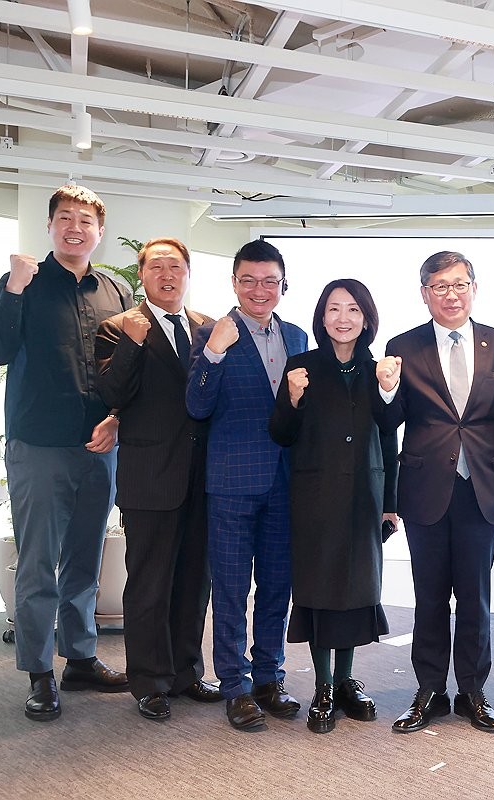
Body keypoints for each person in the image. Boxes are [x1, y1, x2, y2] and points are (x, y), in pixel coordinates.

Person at [0, 184, 132, 722]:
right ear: (50, 226)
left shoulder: (116, 290)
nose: (75, 227)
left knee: (86, 560)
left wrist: (118, 418)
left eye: (85, 220)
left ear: (99, 231)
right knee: (39, 563)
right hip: (40, 445)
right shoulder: (22, 282)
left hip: (99, 446)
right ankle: (39, 672)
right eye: (65, 217)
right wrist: (13, 289)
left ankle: (81, 659)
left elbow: (130, 369)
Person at [379, 251, 494, 735]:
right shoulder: (403, 346)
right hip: (425, 489)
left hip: (482, 488)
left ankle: (472, 691)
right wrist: (386, 390)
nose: (451, 295)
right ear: (425, 293)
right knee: (428, 597)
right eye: (440, 286)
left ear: (474, 288)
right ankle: (429, 691)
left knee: (475, 596)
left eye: (460, 284)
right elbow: (389, 421)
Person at [95, 237, 220, 721]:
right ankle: (148, 680)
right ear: (142, 275)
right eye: (157, 267)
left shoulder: (208, 327)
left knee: (194, 580)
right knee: (149, 583)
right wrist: (132, 341)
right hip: (150, 476)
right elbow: (112, 392)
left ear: (188, 273)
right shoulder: (118, 328)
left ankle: (186, 672)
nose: (167, 275)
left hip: (203, 476)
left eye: (176, 267)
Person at [186, 238, 309, 732]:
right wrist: (214, 353)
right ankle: (234, 685)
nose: (260, 289)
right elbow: (196, 406)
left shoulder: (298, 336)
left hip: (286, 481)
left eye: (269, 281)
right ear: (234, 283)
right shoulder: (212, 333)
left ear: (283, 285)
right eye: (248, 280)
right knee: (232, 590)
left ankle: (268, 678)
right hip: (232, 481)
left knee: (278, 585)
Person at [270, 279, 398, 734]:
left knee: (356, 590)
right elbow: (280, 433)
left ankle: (345, 681)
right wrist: (292, 399)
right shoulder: (301, 366)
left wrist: (390, 503)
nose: (343, 318)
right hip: (315, 497)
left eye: (353, 309)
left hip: (365, 496)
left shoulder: (378, 369)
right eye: (334, 309)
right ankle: (323, 686)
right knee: (321, 589)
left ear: (366, 318)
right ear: (322, 318)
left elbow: (389, 433)